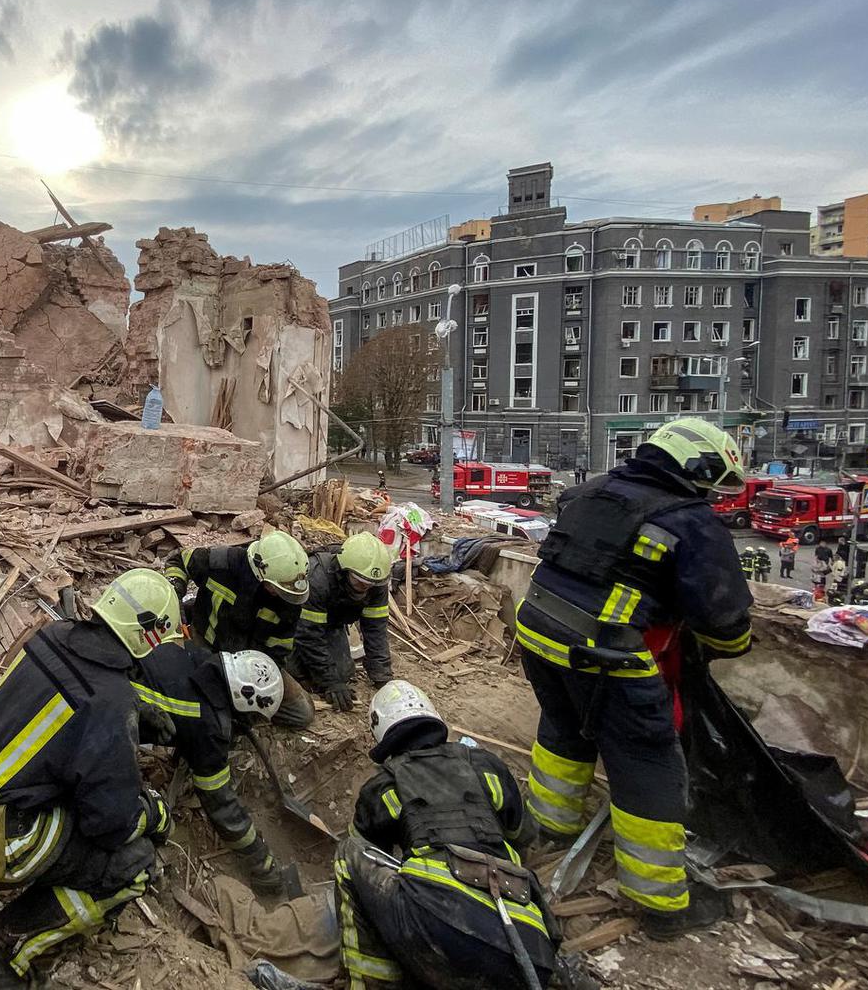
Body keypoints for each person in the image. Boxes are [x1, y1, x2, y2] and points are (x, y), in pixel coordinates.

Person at [514, 418, 751, 939]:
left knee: (565, 726)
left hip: (536, 630)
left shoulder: (592, 490)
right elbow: (725, 619)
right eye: (714, 481)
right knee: (646, 760)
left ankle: (551, 825)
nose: (714, 493)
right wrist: (730, 646)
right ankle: (660, 903)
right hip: (604, 654)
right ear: (700, 468)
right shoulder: (689, 520)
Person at [0, 568, 182, 987]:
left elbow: (63, 708)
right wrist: (152, 813)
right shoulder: (108, 701)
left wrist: (132, 717)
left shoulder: (53, 637)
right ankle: (6, 948)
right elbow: (109, 824)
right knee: (132, 861)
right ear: (150, 636)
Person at [335, 681, 557, 989]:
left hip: (441, 930)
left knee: (348, 854)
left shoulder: (384, 786)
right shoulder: (486, 766)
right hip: (532, 948)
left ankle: (374, 982)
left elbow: (372, 855)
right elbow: (521, 834)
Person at [133, 644, 287, 893]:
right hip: (105, 719)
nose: (252, 725)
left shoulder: (201, 658)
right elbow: (220, 803)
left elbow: (181, 706)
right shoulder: (209, 728)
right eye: (253, 718)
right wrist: (260, 860)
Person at [164, 531, 314, 727]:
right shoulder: (222, 563)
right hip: (206, 645)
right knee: (197, 700)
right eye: (277, 589)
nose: (282, 595)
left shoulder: (289, 599)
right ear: (261, 572)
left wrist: (255, 690)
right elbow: (178, 560)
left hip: (252, 663)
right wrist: (175, 593)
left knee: (301, 713)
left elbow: (278, 652)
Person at [293, 533, 396, 709]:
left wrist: (382, 677)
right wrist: (330, 682)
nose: (366, 588)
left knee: (343, 673)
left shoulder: (375, 584)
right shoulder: (318, 578)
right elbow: (308, 635)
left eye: (371, 584)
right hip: (296, 625)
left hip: (332, 623)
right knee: (295, 670)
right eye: (361, 582)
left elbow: (376, 630)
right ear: (344, 570)